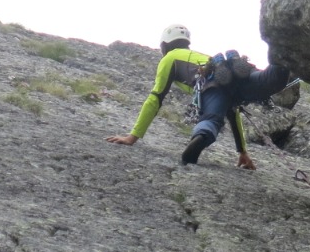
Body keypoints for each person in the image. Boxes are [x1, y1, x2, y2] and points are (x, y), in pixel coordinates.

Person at [105, 24, 292, 168]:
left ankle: (200, 138)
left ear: (164, 44)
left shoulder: (169, 58)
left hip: (213, 84)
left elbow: (156, 97)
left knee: (211, 119)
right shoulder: (202, 55)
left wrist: (133, 136)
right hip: (235, 76)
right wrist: (242, 151)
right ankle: (284, 49)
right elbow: (232, 111)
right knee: (269, 80)